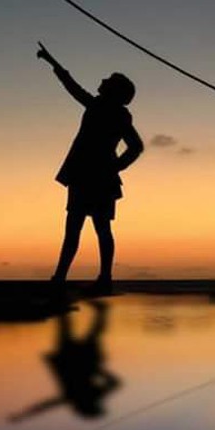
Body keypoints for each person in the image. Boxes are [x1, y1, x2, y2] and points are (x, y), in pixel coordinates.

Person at [37, 43, 144, 293]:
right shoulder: (110, 110)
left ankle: (69, 277)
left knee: (81, 227)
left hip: (90, 177)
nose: (102, 80)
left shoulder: (107, 110)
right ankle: (86, 277)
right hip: (91, 176)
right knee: (95, 228)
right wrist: (52, 62)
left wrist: (115, 167)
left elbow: (136, 147)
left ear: (114, 91)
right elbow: (135, 147)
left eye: (108, 80)